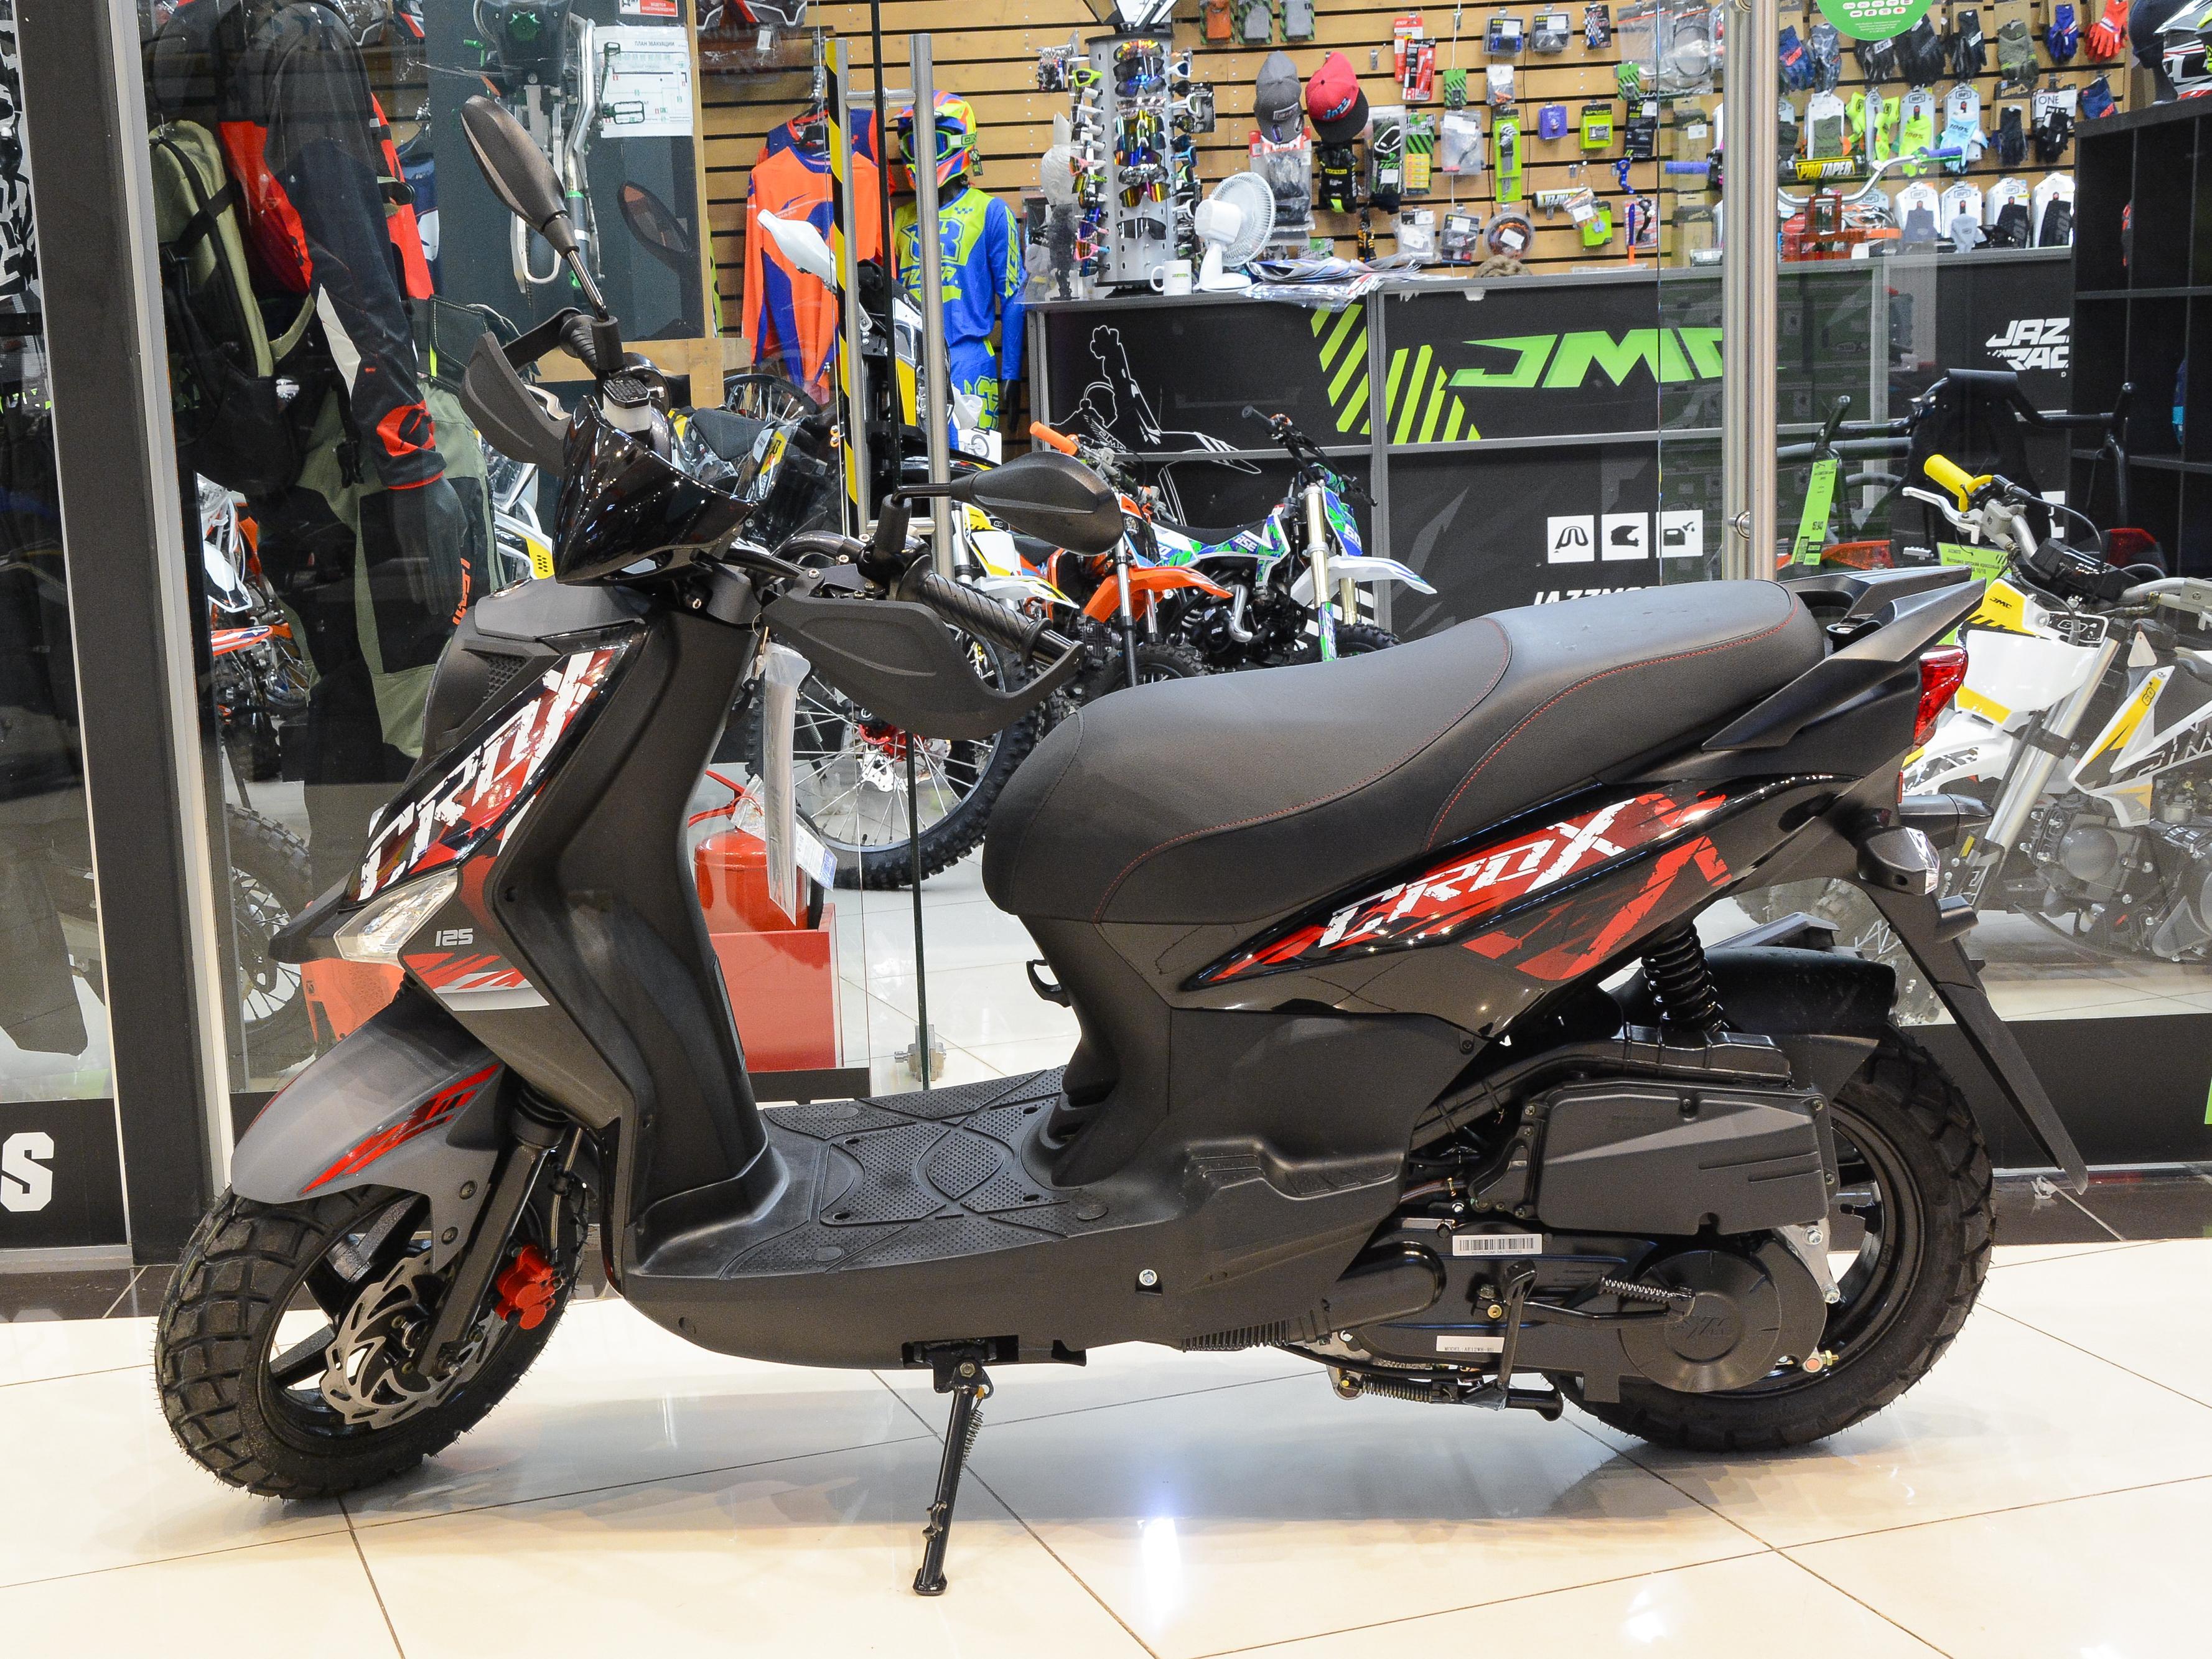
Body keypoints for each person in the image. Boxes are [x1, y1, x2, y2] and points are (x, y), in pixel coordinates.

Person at [149, 0, 483, 886]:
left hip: (287, 449)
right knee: (424, 717)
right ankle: (413, 939)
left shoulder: (180, 40)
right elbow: (348, 268)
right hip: (364, 449)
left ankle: (343, 937)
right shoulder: (297, 41)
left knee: (349, 700)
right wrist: (413, 462)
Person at [892, 93, 1027, 452]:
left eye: (933, 143)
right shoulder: (899, 218)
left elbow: (1013, 295)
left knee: (973, 470)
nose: (921, 155)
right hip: (909, 363)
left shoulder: (991, 212)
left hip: (969, 362)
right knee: (916, 470)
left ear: (960, 142)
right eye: (913, 144)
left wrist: (1011, 374)